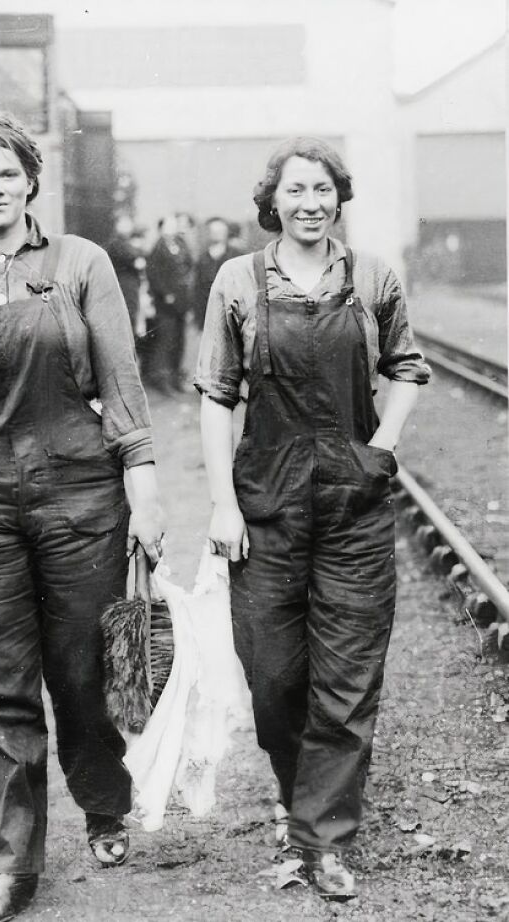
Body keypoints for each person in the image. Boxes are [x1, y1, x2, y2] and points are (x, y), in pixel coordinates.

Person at [0, 112, 164, 922]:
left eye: (7, 173)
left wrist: (144, 494)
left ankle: (104, 805)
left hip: (80, 493)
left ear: (30, 181)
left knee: (83, 671)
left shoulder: (80, 262)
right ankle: (9, 867)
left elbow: (122, 388)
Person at [195, 137, 430, 901]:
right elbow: (215, 398)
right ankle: (304, 794)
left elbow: (406, 369)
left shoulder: (372, 277)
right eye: (295, 190)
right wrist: (224, 505)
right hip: (265, 501)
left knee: (347, 676)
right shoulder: (237, 282)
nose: (309, 203)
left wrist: (382, 450)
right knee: (274, 676)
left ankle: (323, 839)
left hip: (353, 502)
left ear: (339, 197)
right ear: (274, 201)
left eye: (322, 189)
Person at [145, 213, 194, 394]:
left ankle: (176, 378)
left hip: (181, 301)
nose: (172, 230)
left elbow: (189, 265)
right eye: (168, 226)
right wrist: (166, 293)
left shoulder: (182, 244)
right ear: (161, 229)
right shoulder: (158, 248)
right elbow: (153, 275)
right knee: (166, 340)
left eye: (174, 226)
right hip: (165, 303)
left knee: (179, 341)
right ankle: (162, 380)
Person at [193, 216, 241, 330]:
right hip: (208, 316)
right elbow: (197, 289)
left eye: (220, 231)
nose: (217, 234)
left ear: (226, 232)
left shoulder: (237, 256)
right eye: (214, 231)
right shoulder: (202, 258)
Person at [106, 213, 143, 333]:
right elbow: (135, 260)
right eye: (124, 224)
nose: (128, 227)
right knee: (126, 319)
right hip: (124, 286)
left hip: (129, 286)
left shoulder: (126, 243)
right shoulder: (117, 244)